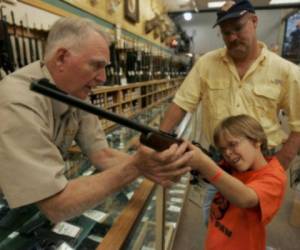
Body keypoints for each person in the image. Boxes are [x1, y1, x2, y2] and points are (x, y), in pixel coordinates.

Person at [0, 17, 193, 223]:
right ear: (61, 58)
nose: (103, 78)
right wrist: (137, 166)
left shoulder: (72, 89)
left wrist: (156, 166)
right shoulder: (17, 101)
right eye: (96, 66)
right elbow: (56, 205)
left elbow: (102, 154)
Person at [159, 0, 300, 225]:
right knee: (215, 222)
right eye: (226, 32)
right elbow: (181, 104)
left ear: (254, 22)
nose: (232, 37)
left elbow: (298, 127)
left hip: (262, 164)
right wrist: (158, 141)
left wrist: (278, 168)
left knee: (250, 227)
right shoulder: (206, 64)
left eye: (238, 28)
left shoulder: (286, 71)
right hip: (218, 162)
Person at [184, 114, 287, 250]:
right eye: (222, 149)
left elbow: (245, 199)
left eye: (233, 144)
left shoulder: (275, 176)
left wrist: (204, 165)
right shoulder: (233, 167)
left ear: (256, 140)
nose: (228, 153)